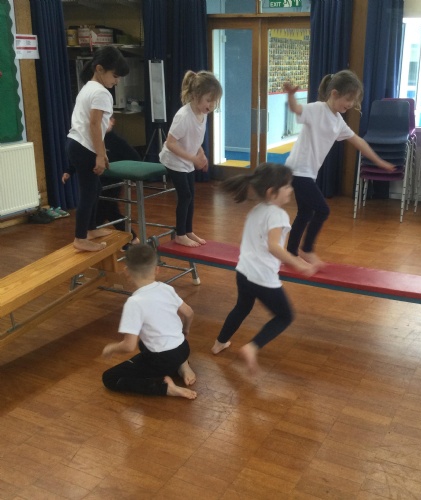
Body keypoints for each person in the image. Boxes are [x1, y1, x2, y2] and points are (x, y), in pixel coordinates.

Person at [211, 163, 319, 375]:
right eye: (287, 186)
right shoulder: (278, 214)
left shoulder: (255, 210)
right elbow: (273, 246)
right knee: (285, 316)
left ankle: (219, 343)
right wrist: (298, 264)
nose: (291, 189)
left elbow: (247, 239)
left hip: (244, 271)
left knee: (242, 307)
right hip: (262, 277)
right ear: (272, 192)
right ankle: (252, 347)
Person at [284, 70, 396, 266]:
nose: (351, 104)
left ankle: (291, 253)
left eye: (354, 101)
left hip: (308, 172)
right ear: (334, 93)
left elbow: (358, 141)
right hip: (298, 169)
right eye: (348, 99)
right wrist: (291, 95)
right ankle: (306, 249)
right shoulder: (317, 109)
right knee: (322, 210)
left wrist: (378, 161)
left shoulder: (338, 122)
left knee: (305, 213)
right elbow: (296, 109)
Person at [101, 243, 197, 399]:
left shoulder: (134, 302)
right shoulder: (166, 288)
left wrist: (112, 348)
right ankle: (183, 365)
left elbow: (129, 346)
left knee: (109, 378)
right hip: (183, 349)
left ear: (126, 272)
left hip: (162, 360)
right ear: (157, 269)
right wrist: (185, 331)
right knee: (144, 344)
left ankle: (165, 388)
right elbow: (189, 313)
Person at [66, 46, 129, 252]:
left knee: (96, 189)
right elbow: (94, 125)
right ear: (100, 69)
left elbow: (95, 127)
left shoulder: (88, 87)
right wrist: (100, 155)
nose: (116, 81)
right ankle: (80, 238)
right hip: (83, 147)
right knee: (88, 193)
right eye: (115, 76)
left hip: (77, 145)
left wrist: (101, 154)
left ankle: (91, 228)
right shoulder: (101, 92)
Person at [159, 70, 223, 248]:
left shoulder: (203, 113)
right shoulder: (183, 116)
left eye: (214, 101)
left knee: (191, 196)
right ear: (195, 96)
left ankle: (188, 231)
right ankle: (180, 235)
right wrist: (193, 158)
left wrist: (201, 154)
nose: (211, 105)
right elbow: (170, 143)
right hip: (172, 160)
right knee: (185, 195)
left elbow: (194, 139)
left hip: (186, 160)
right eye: (208, 100)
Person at [63, 115, 140, 250]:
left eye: (107, 120)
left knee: (109, 209)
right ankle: (95, 232)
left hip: (112, 181)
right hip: (98, 179)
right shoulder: (92, 139)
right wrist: (69, 171)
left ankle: (132, 238)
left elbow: (135, 157)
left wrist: (128, 173)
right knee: (101, 210)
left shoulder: (117, 141)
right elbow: (82, 158)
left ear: (113, 122)